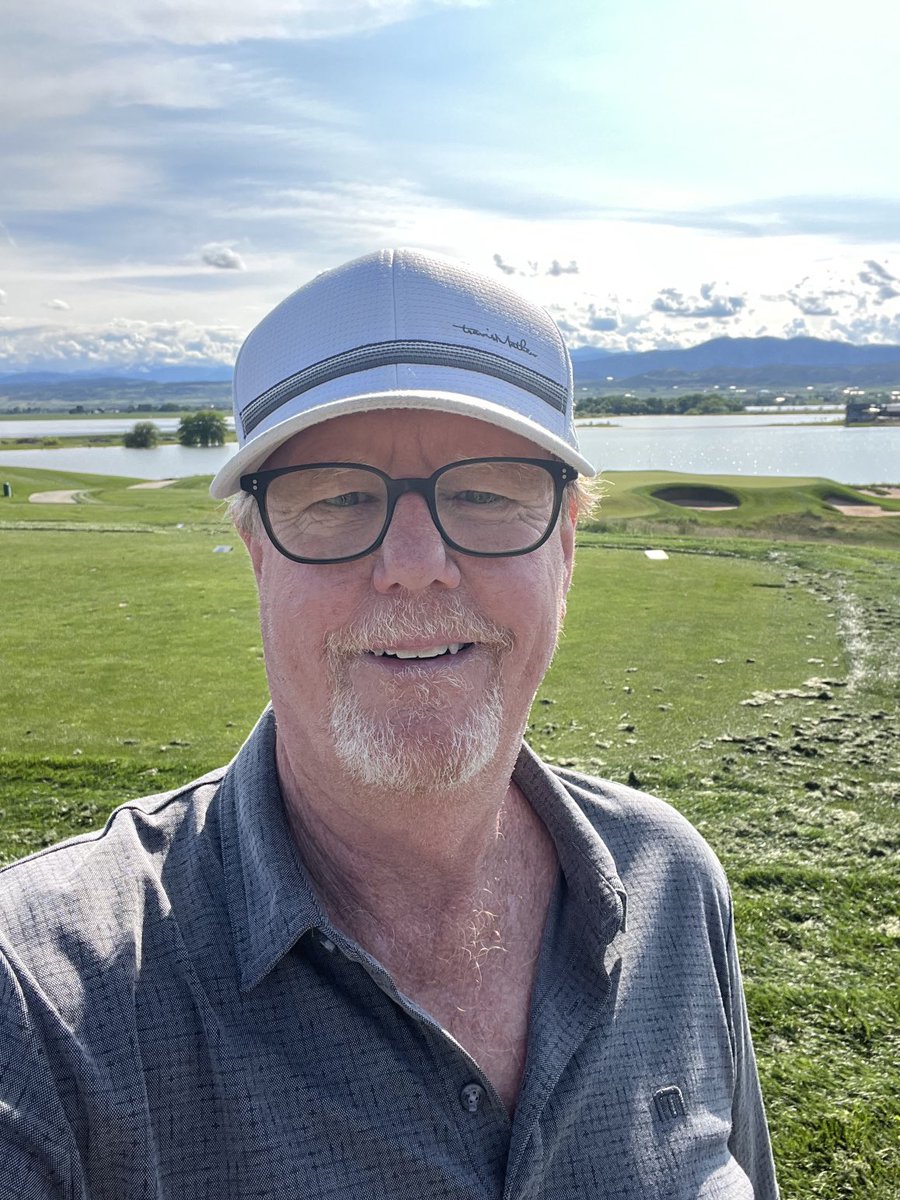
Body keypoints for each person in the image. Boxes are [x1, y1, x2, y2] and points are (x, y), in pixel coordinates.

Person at [0, 249, 778, 1198]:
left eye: (486, 492)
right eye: (336, 497)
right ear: (257, 557)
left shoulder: (673, 883)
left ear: (566, 546)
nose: (416, 565)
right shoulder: (42, 997)